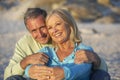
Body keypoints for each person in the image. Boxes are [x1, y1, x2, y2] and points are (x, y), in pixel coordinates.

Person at [4, 8, 101, 80]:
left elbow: (86, 67)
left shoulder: (83, 49)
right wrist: (28, 66)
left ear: (69, 25)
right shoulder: (43, 50)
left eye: (43, 27)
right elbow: (10, 74)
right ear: (29, 32)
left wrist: (64, 73)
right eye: (34, 30)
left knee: (101, 75)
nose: (40, 34)